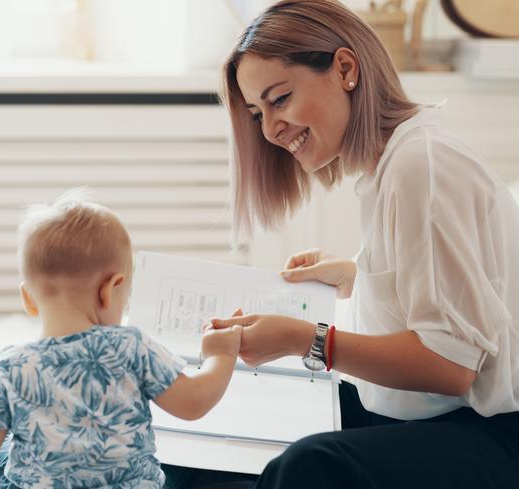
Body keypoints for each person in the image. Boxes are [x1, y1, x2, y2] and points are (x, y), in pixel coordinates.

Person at [209, 1, 519, 488]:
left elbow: (452, 364)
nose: (269, 130)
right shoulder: (389, 166)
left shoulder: (423, 165)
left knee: (307, 466)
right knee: (218, 444)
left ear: (346, 69)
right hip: (439, 415)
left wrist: (303, 339)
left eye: (280, 99)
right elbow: (449, 293)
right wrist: (357, 277)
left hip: (492, 433)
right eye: (257, 113)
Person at [0, 189, 244, 489]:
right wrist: (221, 355)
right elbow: (194, 402)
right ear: (111, 290)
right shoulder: (133, 347)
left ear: (28, 298)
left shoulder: (12, 367)